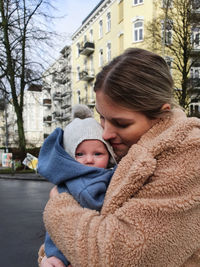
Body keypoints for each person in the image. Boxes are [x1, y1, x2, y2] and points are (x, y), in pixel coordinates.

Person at [39, 48, 200, 266]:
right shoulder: (129, 149)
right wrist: (50, 257)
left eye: (121, 123)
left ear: (162, 112)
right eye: (102, 117)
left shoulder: (190, 155)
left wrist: (58, 207)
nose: (105, 133)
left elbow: (122, 256)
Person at [38, 104, 117, 267]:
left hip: (60, 244)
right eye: (80, 154)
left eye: (98, 153)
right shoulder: (85, 180)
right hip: (68, 249)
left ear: (109, 155)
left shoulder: (71, 177)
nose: (89, 160)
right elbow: (97, 203)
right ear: (69, 156)